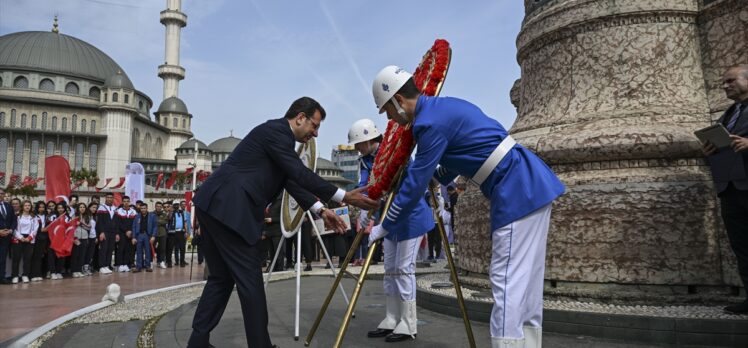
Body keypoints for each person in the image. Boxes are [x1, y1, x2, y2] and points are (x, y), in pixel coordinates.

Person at [369, 66, 565, 348]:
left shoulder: (427, 124)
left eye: (387, 110)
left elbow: (414, 185)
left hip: (516, 187)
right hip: (527, 182)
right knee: (527, 283)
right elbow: (452, 164)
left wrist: (385, 225)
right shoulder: (442, 108)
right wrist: (430, 176)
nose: (390, 118)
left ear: (399, 100)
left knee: (507, 279)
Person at [187, 96, 377, 348]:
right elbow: (298, 173)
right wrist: (343, 195)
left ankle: (197, 342)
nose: (316, 134)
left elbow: (291, 180)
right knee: (250, 282)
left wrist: (321, 210)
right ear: (300, 118)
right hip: (230, 211)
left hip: (214, 207)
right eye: (315, 125)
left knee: (221, 278)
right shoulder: (276, 132)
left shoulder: (276, 138)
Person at [348, 118, 434, 342]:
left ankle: (409, 323)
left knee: (404, 269)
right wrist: (364, 206)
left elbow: (405, 185)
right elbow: (366, 186)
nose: (357, 148)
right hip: (387, 219)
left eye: (359, 143)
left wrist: (378, 204)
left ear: (369, 138)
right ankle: (392, 317)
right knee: (390, 269)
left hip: (410, 217)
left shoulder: (395, 151)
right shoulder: (366, 160)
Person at [703, 64, 748, 314]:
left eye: (731, 80)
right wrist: (710, 149)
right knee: (742, 246)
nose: (725, 86)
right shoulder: (730, 113)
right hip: (731, 189)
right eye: (724, 82)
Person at [11, 200, 37, 283]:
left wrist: (29, 238)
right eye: (25, 205)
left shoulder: (34, 217)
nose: (27, 207)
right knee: (16, 258)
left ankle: (25, 275)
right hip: (18, 238)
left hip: (29, 239)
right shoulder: (17, 216)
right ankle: (15, 276)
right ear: (22, 206)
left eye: (29, 205)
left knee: (27, 259)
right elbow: (14, 228)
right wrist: (20, 237)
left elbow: (35, 229)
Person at [132, 202, 156, 273]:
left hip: (147, 235)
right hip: (139, 235)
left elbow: (155, 226)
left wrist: (153, 236)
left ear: (147, 208)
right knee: (139, 251)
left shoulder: (152, 216)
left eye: (144, 208)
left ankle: (148, 266)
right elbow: (134, 226)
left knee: (148, 251)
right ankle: (138, 266)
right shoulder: (137, 216)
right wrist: (133, 237)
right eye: (141, 208)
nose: (143, 210)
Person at [115, 196, 137, 272]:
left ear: (129, 202)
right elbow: (118, 223)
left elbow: (135, 223)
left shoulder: (133, 211)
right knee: (121, 249)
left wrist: (130, 231)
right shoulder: (118, 211)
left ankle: (126, 264)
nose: (126, 202)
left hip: (130, 233)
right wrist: (126, 231)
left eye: (127, 201)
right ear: (122, 202)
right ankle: (120, 264)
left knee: (129, 249)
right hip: (122, 233)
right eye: (124, 201)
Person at [71, 203, 94, 278]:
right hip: (76, 238)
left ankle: (79, 270)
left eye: (83, 207)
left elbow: (89, 228)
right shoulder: (74, 216)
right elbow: (71, 227)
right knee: (75, 255)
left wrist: (82, 223)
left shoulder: (88, 217)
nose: (82, 208)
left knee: (82, 255)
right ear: (78, 208)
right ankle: (74, 271)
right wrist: (74, 237)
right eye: (80, 207)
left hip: (84, 238)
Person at [97, 193, 117, 275]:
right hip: (104, 232)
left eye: (111, 197)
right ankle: (101, 266)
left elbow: (116, 222)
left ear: (113, 199)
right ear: (105, 198)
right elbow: (100, 221)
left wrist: (116, 233)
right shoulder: (101, 208)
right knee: (103, 249)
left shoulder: (115, 208)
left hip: (112, 232)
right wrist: (101, 232)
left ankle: (107, 265)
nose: (109, 199)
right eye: (108, 197)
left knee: (110, 249)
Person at [0, 188, 17, 284]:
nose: (0, 195)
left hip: (6, 237)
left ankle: (2, 277)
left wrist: (10, 230)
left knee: (2, 259)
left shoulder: (9, 206)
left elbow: (14, 220)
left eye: (2, 193)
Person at [30, 201, 49, 281]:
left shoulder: (46, 216)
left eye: (43, 207)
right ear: (37, 208)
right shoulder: (34, 216)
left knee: (41, 257)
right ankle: (33, 275)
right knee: (35, 257)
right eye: (40, 207)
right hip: (36, 238)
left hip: (44, 239)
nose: (41, 208)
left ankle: (39, 273)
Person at [154, 201, 169, 269]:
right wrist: (160, 221)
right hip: (154, 233)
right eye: (157, 206)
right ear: (155, 207)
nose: (159, 208)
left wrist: (157, 221)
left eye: (160, 207)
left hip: (162, 233)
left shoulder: (164, 214)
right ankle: (155, 261)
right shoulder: (152, 214)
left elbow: (165, 221)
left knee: (162, 248)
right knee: (155, 248)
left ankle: (162, 261)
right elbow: (152, 222)